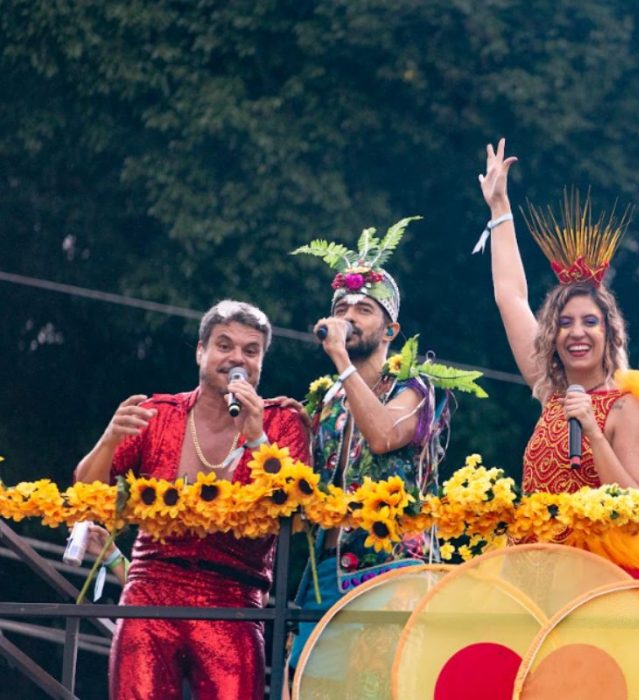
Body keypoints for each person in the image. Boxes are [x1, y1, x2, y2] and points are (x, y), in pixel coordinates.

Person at [73, 299, 310, 700]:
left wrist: (257, 437)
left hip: (234, 599)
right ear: (201, 351)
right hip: (151, 588)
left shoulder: (282, 422)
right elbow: (87, 496)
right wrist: (110, 439)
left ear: (261, 363)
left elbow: (293, 510)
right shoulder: (157, 413)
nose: (237, 358)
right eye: (224, 345)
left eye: (251, 351)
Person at [478, 138, 639, 578]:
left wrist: (593, 433)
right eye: (564, 323)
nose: (576, 333)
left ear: (609, 332)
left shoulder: (625, 407)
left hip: (594, 578)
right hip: (530, 567)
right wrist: (500, 209)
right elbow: (510, 296)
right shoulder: (550, 394)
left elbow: (638, 508)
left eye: (589, 322)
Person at [286, 219, 459, 674]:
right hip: (324, 572)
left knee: (378, 685)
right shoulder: (327, 399)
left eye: (363, 309)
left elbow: (383, 436)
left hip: (391, 568)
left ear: (389, 330)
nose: (348, 316)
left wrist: (341, 359)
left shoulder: (414, 386)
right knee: (305, 680)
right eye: (341, 307)